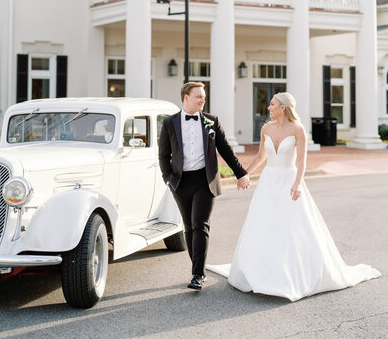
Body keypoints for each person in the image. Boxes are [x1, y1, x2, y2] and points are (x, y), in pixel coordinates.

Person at [207, 92, 380, 301]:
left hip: (289, 182)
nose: (268, 108)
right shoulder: (266, 128)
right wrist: (244, 174)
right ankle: (261, 270)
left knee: (290, 227)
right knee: (264, 225)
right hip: (269, 182)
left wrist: (298, 184)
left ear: (283, 107)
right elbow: (261, 156)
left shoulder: (298, 130)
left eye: (272, 104)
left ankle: (290, 274)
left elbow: (302, 162)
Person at [159, 81, 250, 291]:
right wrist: (168, 178)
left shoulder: (211, 121)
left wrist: (241, 174)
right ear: (186, 98)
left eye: (204, 97)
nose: (203, 100)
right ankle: (196, 266)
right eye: (198, 96)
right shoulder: (169, 123)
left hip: (205, 180)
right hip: (180, 182)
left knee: (200, 225)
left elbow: (226, 150)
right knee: (189, 227)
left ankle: (197, 274)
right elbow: (164, 155)